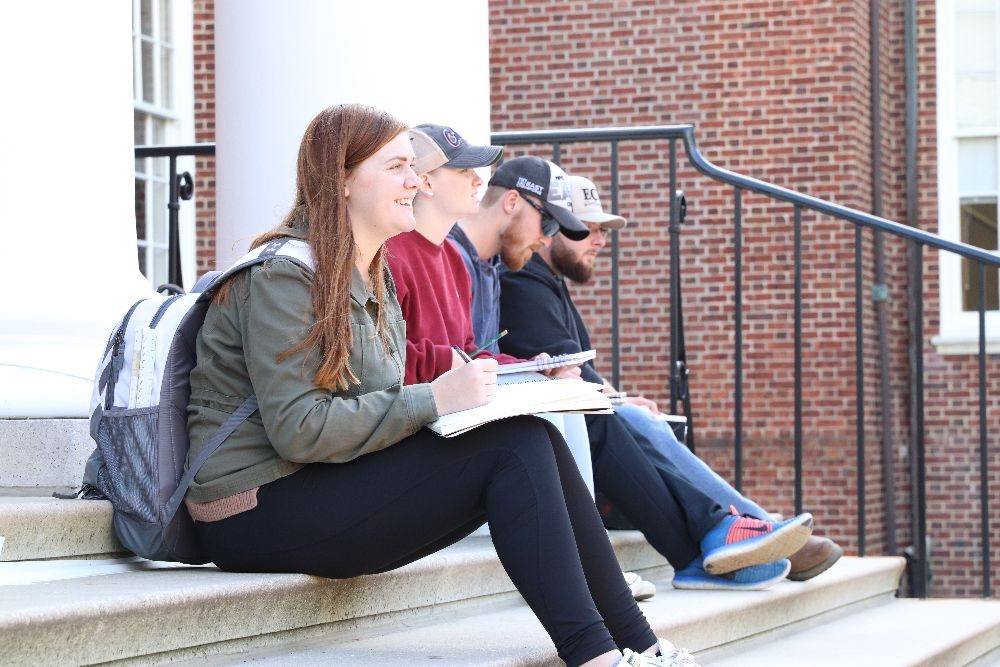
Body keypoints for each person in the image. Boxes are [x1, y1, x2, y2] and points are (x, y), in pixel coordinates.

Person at [182, 104, 699, 667]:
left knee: (532, 436)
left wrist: (493, 389)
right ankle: (596, 656)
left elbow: (373, 396)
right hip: (250, 508)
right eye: (398, 167)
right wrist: (435, 399)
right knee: (514, 447)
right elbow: (301, 430)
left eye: (417, 167)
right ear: (342, 180)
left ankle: (638, 643)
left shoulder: (366, 271)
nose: (417, 181)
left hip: (316, 484)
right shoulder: (283, 275)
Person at [386, 129, 814, 592]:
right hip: (428, 418)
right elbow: (394, 359)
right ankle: (672, 543)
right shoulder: (412, 255)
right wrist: (484, 364)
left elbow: (473, 348)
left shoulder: (462, 262)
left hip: (462, 402)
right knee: (594, 414)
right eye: (552, 225)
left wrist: (531, 365)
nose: (476, 180)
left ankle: (720, 529)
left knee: (591, 406)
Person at [497, 175, 844, 583]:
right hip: (541, 422)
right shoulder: (521, 282)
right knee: (634, 420)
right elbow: (566, 368)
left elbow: (574, 366)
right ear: (550, 226)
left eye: (599, 231)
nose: (598, 241)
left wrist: (621, 396)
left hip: (565, 413)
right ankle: (739, 526)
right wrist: (620, 400)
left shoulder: (546, 283)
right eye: (584, 229)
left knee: (640, 418)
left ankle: (738, 527)